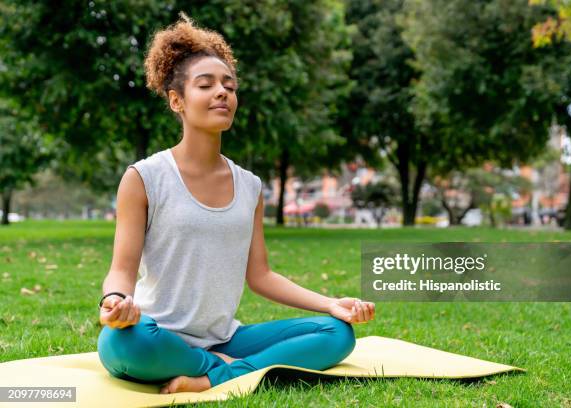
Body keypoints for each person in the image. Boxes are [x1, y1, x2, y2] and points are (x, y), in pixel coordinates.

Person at [96, 13, 375, 394]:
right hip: (155, 332)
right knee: (121, 342)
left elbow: (260, 276)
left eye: (229, 85)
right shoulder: (144, 178)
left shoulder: (250, 186)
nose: (222, 92)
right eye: (206, 85)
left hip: (224, 338)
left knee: (336, 334)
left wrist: (330, 304)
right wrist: (115, 300)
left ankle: (214, 374)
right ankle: (232, 371)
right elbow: (121, 270)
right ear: (177, 100)